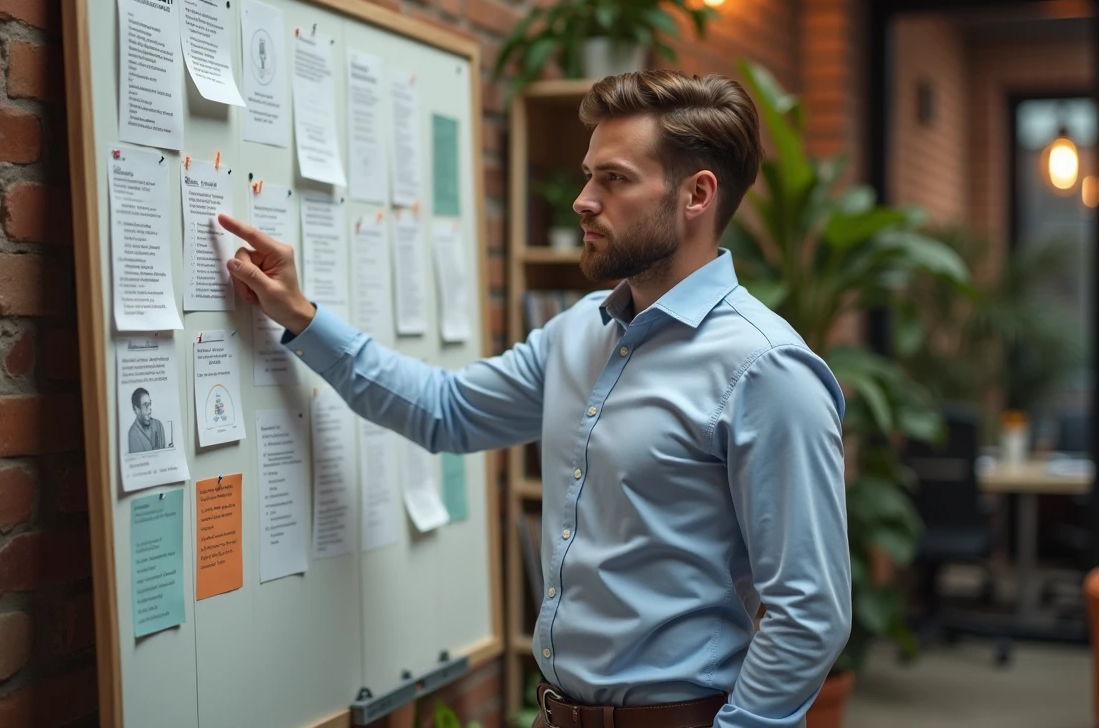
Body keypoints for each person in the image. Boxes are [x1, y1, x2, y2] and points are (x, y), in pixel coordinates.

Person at [218, 69, 851, 728]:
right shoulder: (580, 332)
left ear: (697, 194)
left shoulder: (767, 370)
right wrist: (301, 316)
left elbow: (809, 611)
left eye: (614, 178)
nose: (582, 200)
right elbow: (446, 411)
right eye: (588, 175)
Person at [128, 387, 166, 453]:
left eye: (150, 404)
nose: (150, 408)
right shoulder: (133, 434)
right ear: (136, 409)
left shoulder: (158, 425)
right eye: (146, 405)